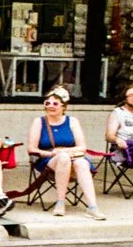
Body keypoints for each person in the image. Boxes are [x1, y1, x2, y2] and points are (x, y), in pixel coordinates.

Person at [28, 86, 104, 219]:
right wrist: (53, 154)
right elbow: (32, 149)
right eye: (47, 103)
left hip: (72, 157)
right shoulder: (39, 122)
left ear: (64, 106)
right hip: (48, 160)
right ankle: (60, 202)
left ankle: (93, 207)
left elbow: (82, 147)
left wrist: (64, 151)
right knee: (63, 158)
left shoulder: (72, 121)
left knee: (81, 163)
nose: (50, 106)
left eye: (55, 103)